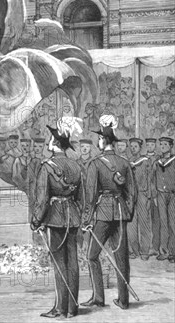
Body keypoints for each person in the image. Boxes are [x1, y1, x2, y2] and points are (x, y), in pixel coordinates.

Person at [81, 114, 137, 310]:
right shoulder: (124, 163)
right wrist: (127, 212)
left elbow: (90, 196)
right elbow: (132, 192)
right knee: (121, 257)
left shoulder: (95, 164)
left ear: (104, 140)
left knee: (92, 256)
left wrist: (86, 219)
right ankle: (123, 300)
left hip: (103, 213)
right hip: (120, 212)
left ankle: (98, 298)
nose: (97, 140)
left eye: (99, 138)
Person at [31, 119, 83, 319]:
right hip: (73, 215)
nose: (48, 143)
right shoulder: (76, 166)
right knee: (73, 261)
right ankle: (73, 308)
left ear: (55, 143)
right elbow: (82, 196)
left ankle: (61, 308)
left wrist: (36, 220)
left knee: (59, 262)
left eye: (50, 139)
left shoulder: (47, 166)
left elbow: (43, 198)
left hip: (56, 217)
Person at [127, 137, 152, 260]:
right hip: (131, 195)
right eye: (131, 147)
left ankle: (145, 251)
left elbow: (150, 178)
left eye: (135, 146)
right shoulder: (127, 161)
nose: (133, 149)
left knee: (144, 223)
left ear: (140, 148)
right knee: (131, 224)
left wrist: (149, 195)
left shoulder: (146, 161)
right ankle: (134, 250)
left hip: (142, 194)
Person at [153, 136, 175, 262]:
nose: (162, 146)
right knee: (163, 223)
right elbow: (153, 178)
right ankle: (164, 251)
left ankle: (173, 252)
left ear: (171, 146)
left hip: (172, 195)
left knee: (173, 223)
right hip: (160, 194)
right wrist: (155, 194)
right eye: (161, 144)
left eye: (165, 144)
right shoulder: (157, 162)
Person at [145, 137, 161, 255]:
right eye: (148, 145)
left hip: (156, 194)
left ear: (155, 146)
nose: (150, 146)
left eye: (152, 145)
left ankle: (156, 247)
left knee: (157, 221)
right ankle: (147, 246)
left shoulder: (159, 159)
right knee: (146, 222)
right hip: (145, 194)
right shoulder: (143, 159)